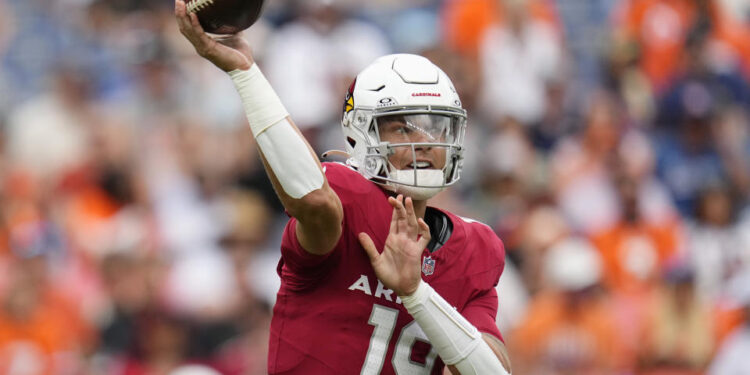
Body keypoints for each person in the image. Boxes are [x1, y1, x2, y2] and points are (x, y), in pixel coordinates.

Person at [175, 2, 511, 374]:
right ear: (362, 135)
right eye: (402, 128)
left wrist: (416, 294)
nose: (426, 142)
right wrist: (246, 74)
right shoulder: (344, 199)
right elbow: (313, 199)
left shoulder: (476, 248)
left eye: (437, 127)